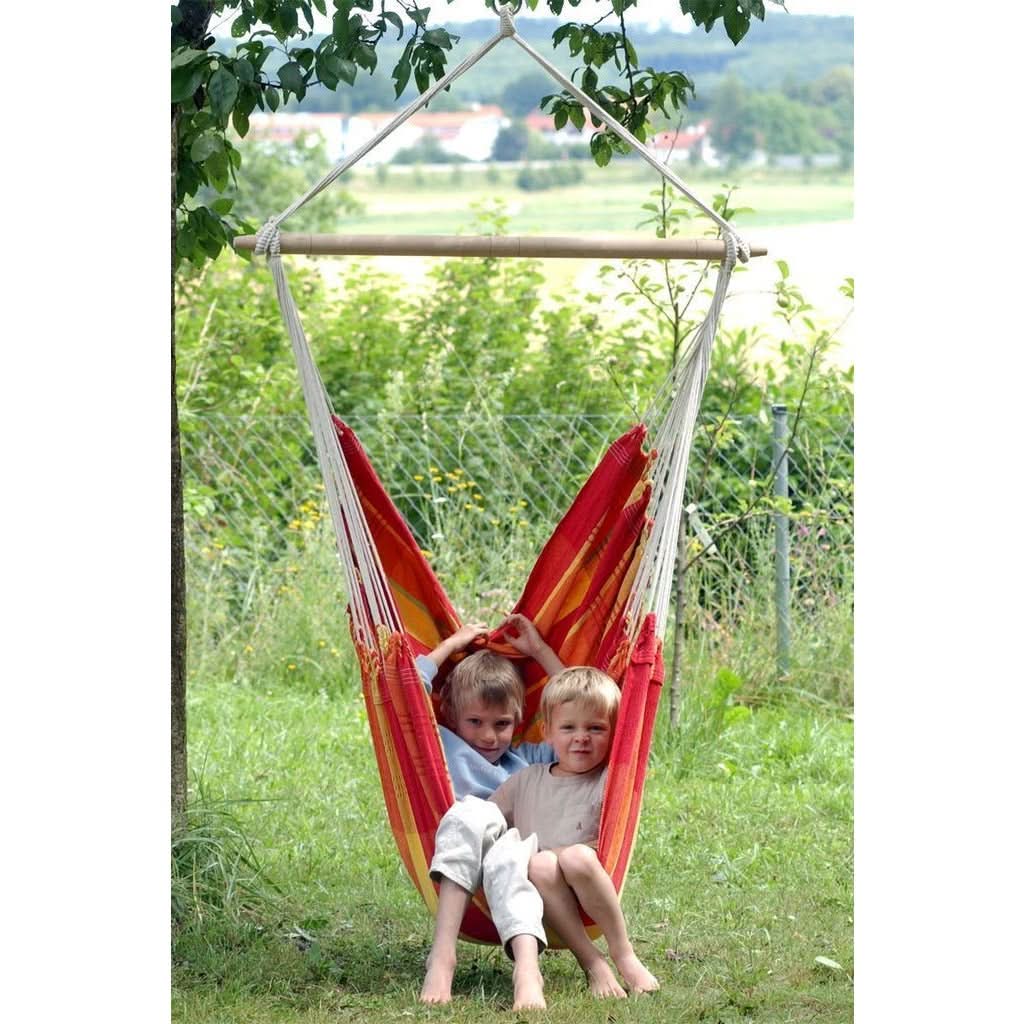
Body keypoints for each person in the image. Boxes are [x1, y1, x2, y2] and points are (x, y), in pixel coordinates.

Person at [418, 613, 563, 1009]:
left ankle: (527, 972)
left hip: (512, 840)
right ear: (452, 716)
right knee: (471, 814)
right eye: (475, 722)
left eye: (501, 724)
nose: (488, 735)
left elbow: (579, 707)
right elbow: (408, 687)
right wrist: (451, 644)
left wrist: (540, 651)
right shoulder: (445, 743)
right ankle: (443, 956)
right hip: (461, 838)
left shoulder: (528, 760)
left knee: (511, 863)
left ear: (518, 721)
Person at [493, 667, 661, 1000]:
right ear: (547, 733)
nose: (581, 737)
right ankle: (592, 963)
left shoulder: (610, 779)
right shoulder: (525, 780)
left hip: (587, 884)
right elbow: (485, 819)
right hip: (541, 894)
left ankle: (623, 952)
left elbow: (636, 737)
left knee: (574, 856)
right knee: (540, 863)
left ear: (614, 735)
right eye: (568, 727)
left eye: (596, 728)